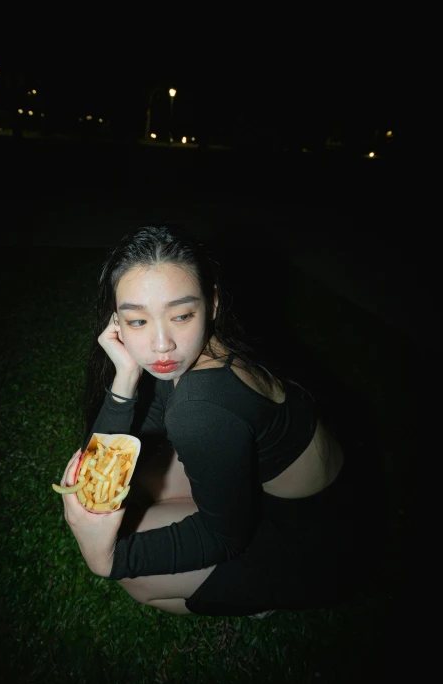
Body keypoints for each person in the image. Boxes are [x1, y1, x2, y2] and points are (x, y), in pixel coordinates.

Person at [60, 224, 386, 617]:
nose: (162, 344)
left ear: (211, 303)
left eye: (181, 315)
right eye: (138, 321)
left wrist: (105, 560)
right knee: (136, 479)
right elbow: (107, 468)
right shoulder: (211, 345)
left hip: (320, 541)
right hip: (309, 495)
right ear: (116, 321)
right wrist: (125, 379)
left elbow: (225, 537)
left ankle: (258, 598)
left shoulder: (201, 406)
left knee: (136, 574)